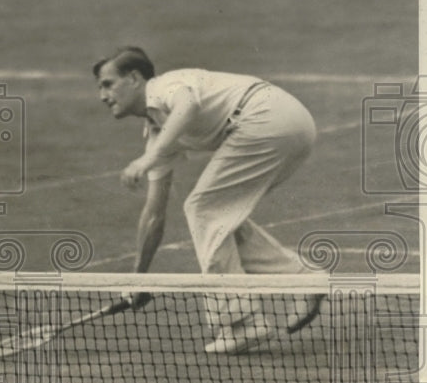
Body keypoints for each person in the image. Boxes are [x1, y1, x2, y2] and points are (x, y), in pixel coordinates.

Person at [93, 47, 325, 354]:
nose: (102, 96)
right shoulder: (158, 132)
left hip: (267, 117)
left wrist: (150, 157)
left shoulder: (164, 87)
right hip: (289, 123)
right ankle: (303, 281)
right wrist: (138, 278)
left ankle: (243, 322)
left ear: (134, 78)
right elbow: (154, 215)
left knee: (202, 208)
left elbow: (187, 105)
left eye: (108, 84)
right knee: (221, 217)